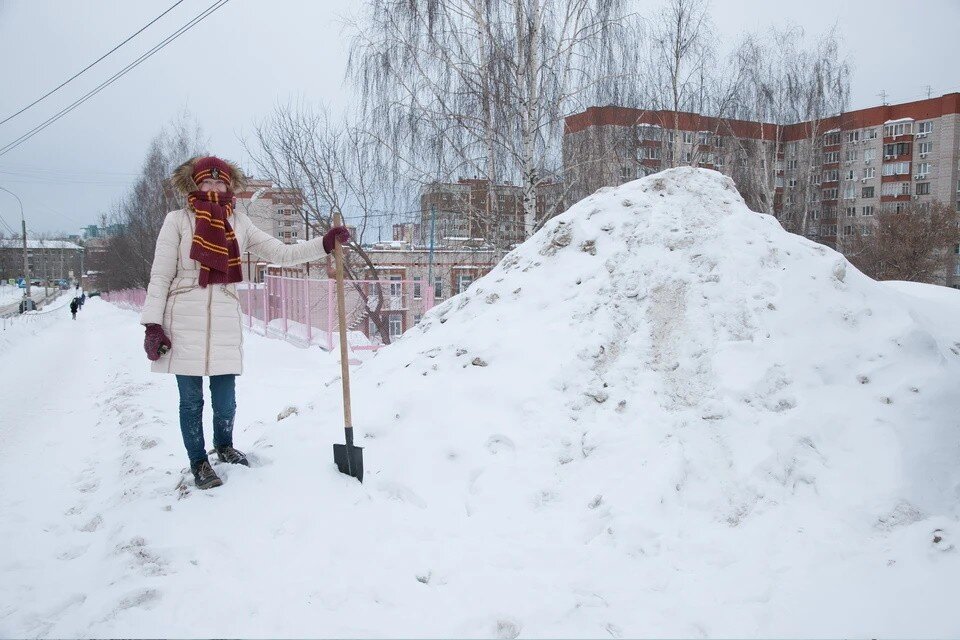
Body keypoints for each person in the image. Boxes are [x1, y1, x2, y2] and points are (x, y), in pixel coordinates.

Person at [141, 156, 350, 490]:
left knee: (226, 399)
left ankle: (224, 446)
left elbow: (280, 252)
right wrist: (153, 324)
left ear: (228, 186)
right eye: (205, 183)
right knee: (190, 401)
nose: (212, 188)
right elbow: (161, 273)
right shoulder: (177, 221)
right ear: (194, 186)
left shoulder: (238, 222)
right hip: (182, 317)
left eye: (219, 182)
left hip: (223, 315)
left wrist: (324, 244)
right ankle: (199, 463)